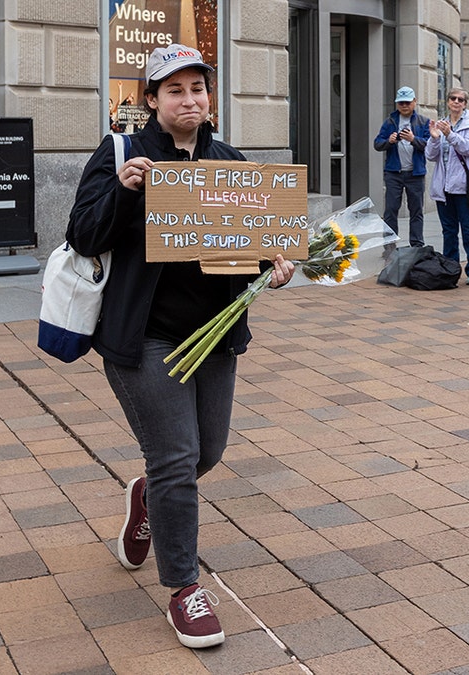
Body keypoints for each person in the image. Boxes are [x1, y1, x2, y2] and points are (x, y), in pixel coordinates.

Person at [66, 44, 295, 647]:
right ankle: (184, 588)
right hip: (142, 337)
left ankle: (147, 498)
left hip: (213, 335)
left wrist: (271, 264)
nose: (189, 99)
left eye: (198, 88)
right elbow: (83, 233)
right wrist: (121, 190)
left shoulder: (230, 162)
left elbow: (243, 250)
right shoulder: (126, 155)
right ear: (152, 99)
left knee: (204, 455)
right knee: (175, 461)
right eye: (175, 90)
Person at [425, 87, 469, 285]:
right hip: (444, 187)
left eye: (461, 99)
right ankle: (450, 268)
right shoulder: (441, 123)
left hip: (465, 187)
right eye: (453, 98)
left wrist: (450, 134)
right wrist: (435, 138)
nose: (456, 102)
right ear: (448, 101)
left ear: (465, 104)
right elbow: (430, 155)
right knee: (449, 231)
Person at [374, 86, 430, 249]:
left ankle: (417, 246)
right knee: (390, 210)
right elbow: (377, 144)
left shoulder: (423, 122)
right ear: (396, 104)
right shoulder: (390, 121)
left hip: (415, 173)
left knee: (416, 211)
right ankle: (389, 246)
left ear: (414, 102)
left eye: (407, 102)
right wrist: (389, 141)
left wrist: (413, 139)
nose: (404, 106)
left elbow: (430, 146)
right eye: (401, 103)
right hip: (394, 174)